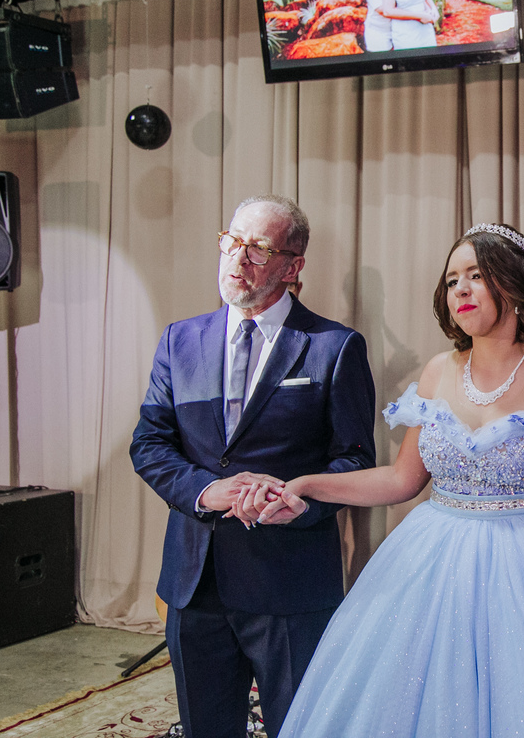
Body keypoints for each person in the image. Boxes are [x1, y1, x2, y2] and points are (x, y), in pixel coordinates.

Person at [257, 223, 524, 737]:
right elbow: (401, 480)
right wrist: (306, 485)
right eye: (452, 280)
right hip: (431, 559)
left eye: (476, 275)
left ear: (514, 284)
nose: (461, 290)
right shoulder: (437, 371)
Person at [130, 195, 376, 738]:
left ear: (292, 266)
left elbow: (355, 459)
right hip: (195, 582)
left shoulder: (334, 347)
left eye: (258, 248)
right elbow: (150, 444)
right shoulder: (180, 339)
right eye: (232, 242)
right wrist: (208, 491)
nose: (238, 258)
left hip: (289, 582)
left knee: (300, 728)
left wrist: (298, 502)